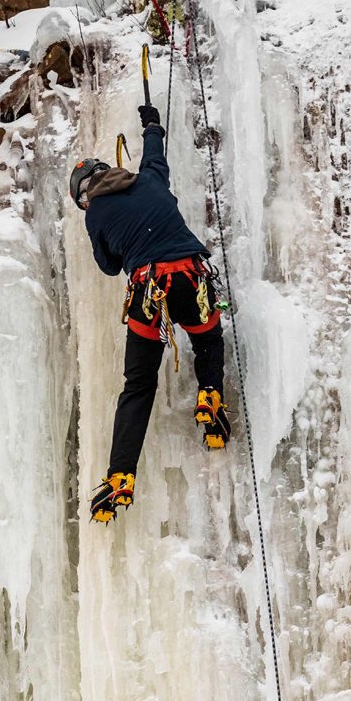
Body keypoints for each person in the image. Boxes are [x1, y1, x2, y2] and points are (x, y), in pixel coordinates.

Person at [71, 104, 231, 524]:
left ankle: (121, 475)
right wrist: (152, 125)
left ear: (86, 195)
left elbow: (108, 266)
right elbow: (155, 155)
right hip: (191, 278)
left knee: (138, 385)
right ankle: (210, 397)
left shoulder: (96, 215)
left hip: (149, 291)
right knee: (208, 341)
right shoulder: (149, 179)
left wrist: (106, 226)